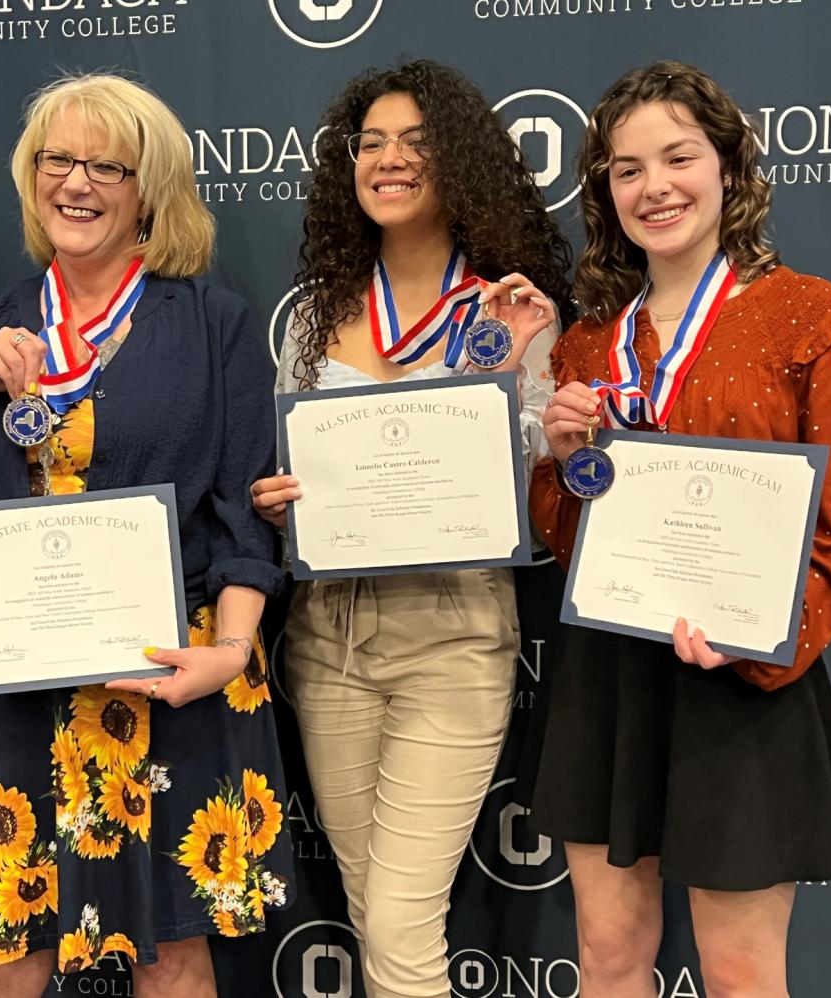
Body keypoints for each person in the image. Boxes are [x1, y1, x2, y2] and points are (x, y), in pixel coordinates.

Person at [0, 73, 293, 998]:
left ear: (150, 191)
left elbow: (240, 514)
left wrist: (230, 650)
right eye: (58, 159)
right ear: (30, 177)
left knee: (172, 959)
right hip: (15, 682)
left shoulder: (212, 324)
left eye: (108, 165)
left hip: (169, 672)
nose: (78, 182)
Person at [525, 61, 831, 996]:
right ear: (606, 189)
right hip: (610, 673)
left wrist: (757, 641)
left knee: (740, 975)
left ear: (728, 166)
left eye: (679, 157)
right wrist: (561, 460)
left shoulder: (813, 320)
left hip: (741, 685)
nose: (656, 187)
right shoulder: (590, 341)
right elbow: (568, 538)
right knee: (605, 957)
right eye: (628, 168)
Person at [248, 60, 573, 997]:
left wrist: (513, 374)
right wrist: (280, 503)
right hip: (329, 638)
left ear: (459, 163)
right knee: (367, 911)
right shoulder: (314, 315)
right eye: (372, 143)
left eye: (417, 144)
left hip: (454, 636)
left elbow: (538, 482)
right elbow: (296, 462)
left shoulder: (509, 305)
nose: (389, 161)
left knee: (398, 922)